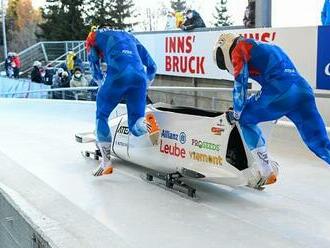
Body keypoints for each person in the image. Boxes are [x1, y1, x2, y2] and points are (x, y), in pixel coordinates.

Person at [213, 33, 330, 188]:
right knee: (320, 144)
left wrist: (236, 112)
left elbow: (240, 83)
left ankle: (265, 170)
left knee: (244, 118)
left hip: (280, 92)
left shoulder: (239, 47)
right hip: (303, 91)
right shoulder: (265, 46)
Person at [86, 26, 158, 177]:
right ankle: (147, 124)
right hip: (140, 78)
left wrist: (101, 84)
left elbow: (93, 64)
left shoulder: (93, 37)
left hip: (118, 76)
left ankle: (106, 164)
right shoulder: (130, 36)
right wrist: (146, 84)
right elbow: (152, 66)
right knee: (135, 125)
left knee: (102, 116)